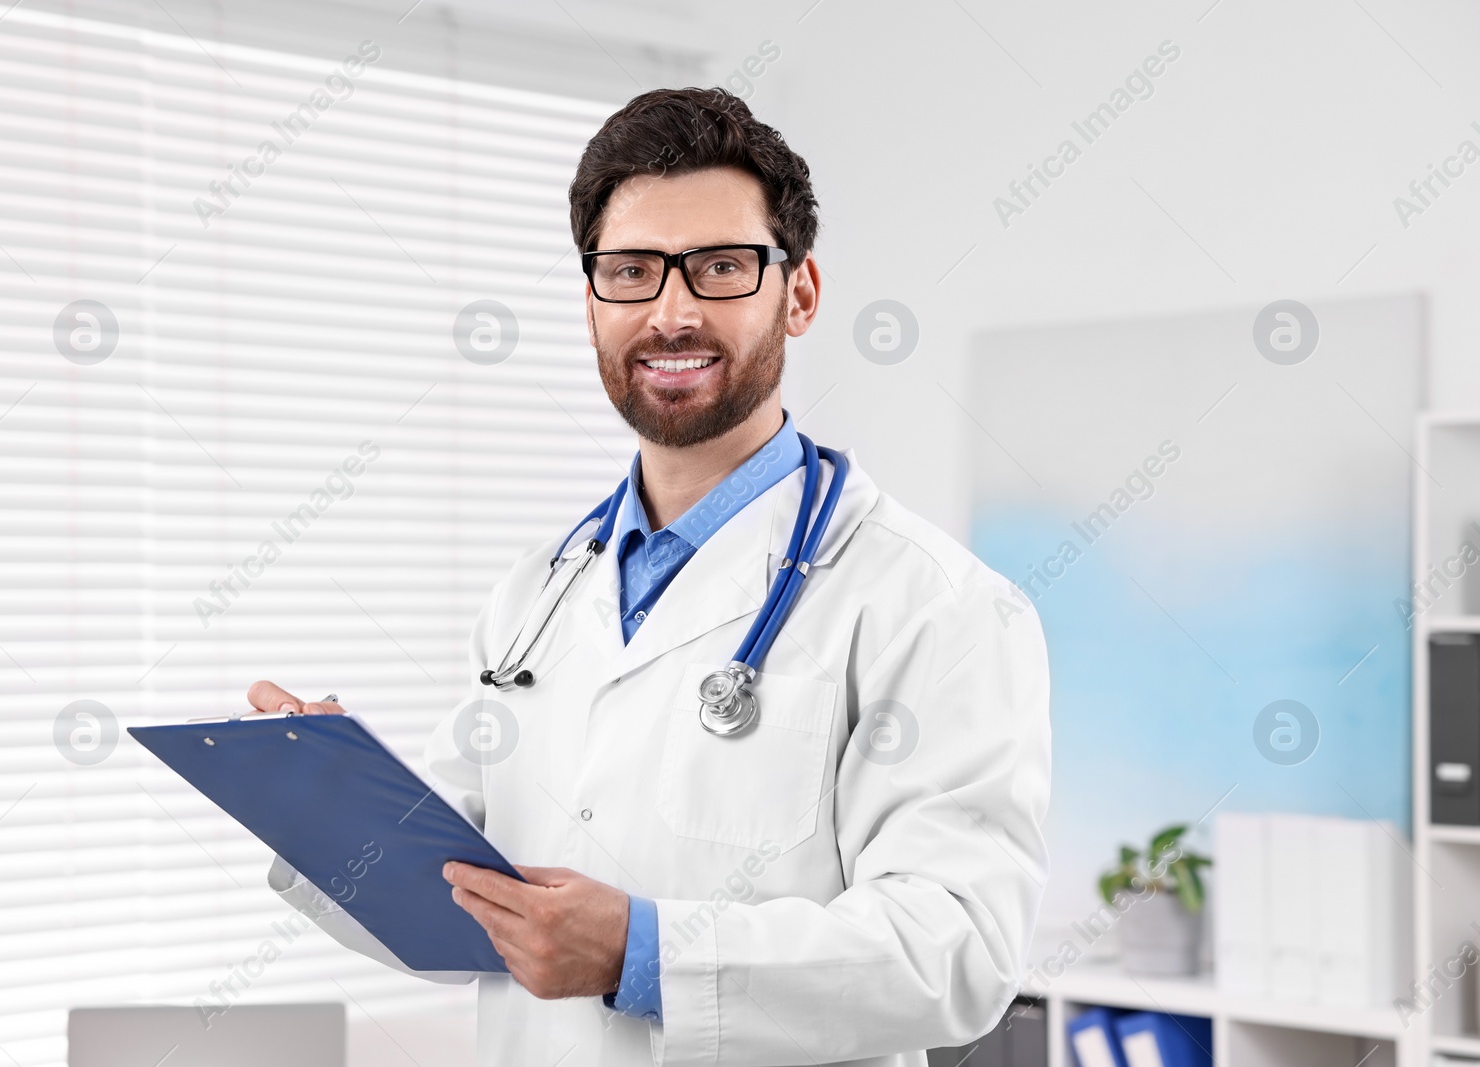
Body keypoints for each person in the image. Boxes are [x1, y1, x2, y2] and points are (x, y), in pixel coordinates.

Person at [249, 86, 1051, 1067]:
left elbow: (959, 948)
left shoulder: (934, 604)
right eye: (629, 271)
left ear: (797, 293)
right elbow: (460, 906)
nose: (670, 312)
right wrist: (327, 806)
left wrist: (646, 952)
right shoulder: (532, 599)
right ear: (592, 299)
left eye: (719, 267)